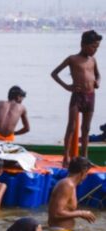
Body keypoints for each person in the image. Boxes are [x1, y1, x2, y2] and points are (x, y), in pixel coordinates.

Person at [51, 30, 101, 166]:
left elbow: (98, 75)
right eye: (93, 47)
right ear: (83, 44)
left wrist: (98, 82)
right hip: (77, 96)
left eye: (97, 47)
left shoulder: (93, 60)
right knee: (71, 127)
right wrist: (67, 86)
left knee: (86, 129)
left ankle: (84, 158)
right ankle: (66, 157)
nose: (95, 50)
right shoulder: (72, 59)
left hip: (90, 96)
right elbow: (54, 73)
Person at [48, 156, 97, 231]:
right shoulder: (67, 185)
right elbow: (56, 213)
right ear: (83, 172)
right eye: (87, 173)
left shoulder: (70, 185)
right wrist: (81, 213)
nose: (86, 176)